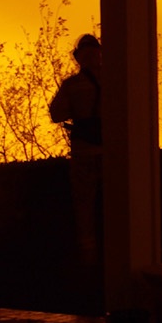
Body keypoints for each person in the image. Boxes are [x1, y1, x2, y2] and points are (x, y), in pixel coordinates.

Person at [49, 34, 103, 266]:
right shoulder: (119, 78)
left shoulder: (72, 85)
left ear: (78, 57)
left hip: (85, 152)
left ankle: (88, 256)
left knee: (84, 205)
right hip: (115, 151)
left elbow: (57, 114)